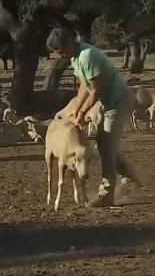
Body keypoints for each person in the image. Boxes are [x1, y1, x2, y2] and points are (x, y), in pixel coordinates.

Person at [46, 27, 138, 207]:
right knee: (105, 143)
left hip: (118, 101)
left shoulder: (87, 56)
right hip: (108, 102)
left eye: (60, 50)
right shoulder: (75, 58)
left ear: (70, 43)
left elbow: (96, 90)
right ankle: (128, 176)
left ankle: (106, 196)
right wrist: (76, 109)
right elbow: (84, 86)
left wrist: (82, 113)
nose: (60, 55)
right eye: (57, 52)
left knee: (106, 145)